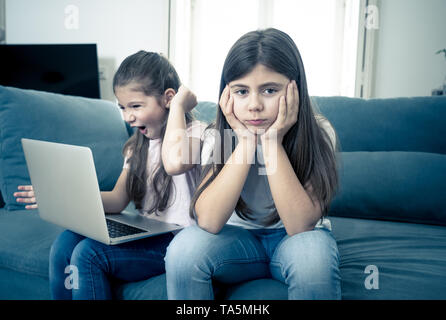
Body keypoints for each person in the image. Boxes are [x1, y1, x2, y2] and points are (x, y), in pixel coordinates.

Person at [164, 28, 341, 300]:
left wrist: (272, 142)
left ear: (296, 89)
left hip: (292, 239)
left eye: (269, 90)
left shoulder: (319, 132)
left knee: (313, 261)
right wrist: (245, 141)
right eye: (242, 91)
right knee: (183, 251)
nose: (254, 105)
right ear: (227, 94)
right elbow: (209, 221)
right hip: (237, 242)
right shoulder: (218, 136)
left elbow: (299, 227)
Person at [13, 51, 206, 299]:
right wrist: (61, 196)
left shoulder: (197, 134)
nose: (128, 117)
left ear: (169, 98)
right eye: (123, 108)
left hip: (179, 242)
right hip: (149, 232)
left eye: (136, 106)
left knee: (88, 253)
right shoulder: (137, 145)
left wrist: (179, 106)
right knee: (64, 245)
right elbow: (117, 200)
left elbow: (176, 161)